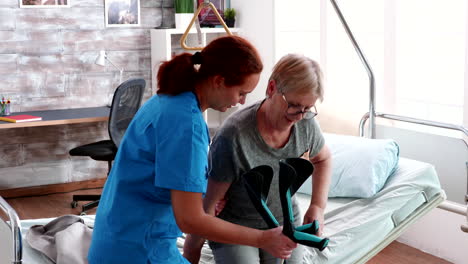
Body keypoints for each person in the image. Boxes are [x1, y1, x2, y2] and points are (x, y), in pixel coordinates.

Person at [87, 36, 297, 264]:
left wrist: (203, 195)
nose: (243, 102)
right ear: (218, 80)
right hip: (139, 251)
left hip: (113, 240)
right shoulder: (187, 124)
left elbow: (164, 173)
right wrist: (262, 238)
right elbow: (189, 220)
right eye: (241, 93)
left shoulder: (167, 99)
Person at [184, 54, 332, 264]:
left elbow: (323, 159)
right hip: (237, 228)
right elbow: (209, 206)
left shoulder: (306, 124)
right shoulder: (233, 136)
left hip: (285, 223)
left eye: (307, 109)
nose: (299, 116)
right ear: (272, 88)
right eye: (294, 105)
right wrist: (190, 255)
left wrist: (318, 206)